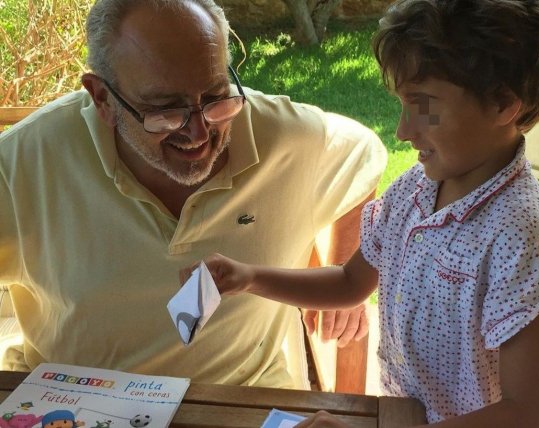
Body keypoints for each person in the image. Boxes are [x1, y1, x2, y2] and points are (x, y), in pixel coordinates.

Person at [196, 0, 539, 425]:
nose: (403, 129)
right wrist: (251, 277)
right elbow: (351, 281)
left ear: (502, 105)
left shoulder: (522, 239)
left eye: (423, 105)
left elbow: (527, 413)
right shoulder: (415, 191)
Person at [0, 0, 387, 390]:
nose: (201, 134)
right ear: (102, 98)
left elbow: (363, 155)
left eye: (216, 97)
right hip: (73, 400)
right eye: (166, 111)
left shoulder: (284, 134)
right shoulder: (19, 164)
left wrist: (346, 278)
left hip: (239, 401)